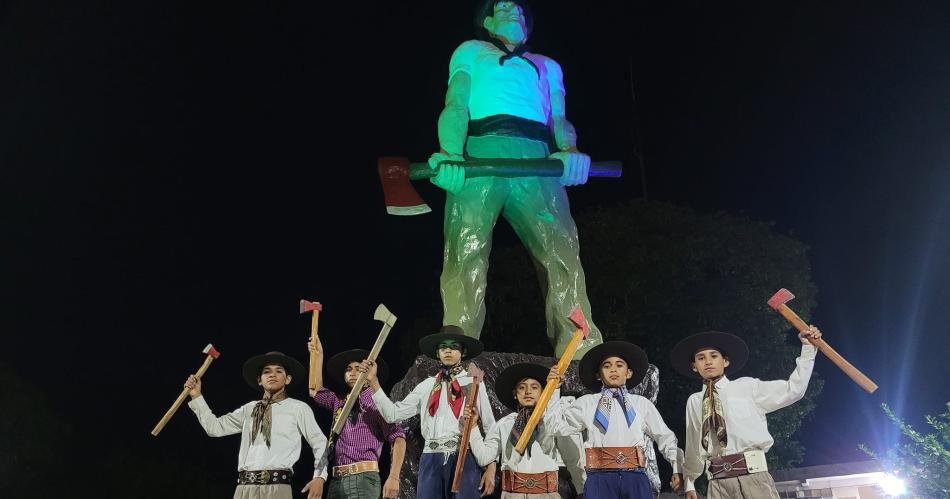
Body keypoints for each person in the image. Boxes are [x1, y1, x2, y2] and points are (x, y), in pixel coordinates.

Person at [428, 0, 603, 357]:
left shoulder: (548, 66)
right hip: (481, 153)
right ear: (487, 21)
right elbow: (456, 103)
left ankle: (579, 346)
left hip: (537, 157)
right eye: (504, 11)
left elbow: (559, 118)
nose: (514, 15)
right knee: (466, 249)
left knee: (562, 251)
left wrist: (569, 150)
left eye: (519, 13)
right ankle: (457, 345)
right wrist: (450, 153)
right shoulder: (471, 51)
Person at [671, 327, 821, 499]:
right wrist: (689, 482)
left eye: (714, 356)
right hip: (718, 485)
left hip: (753, 478)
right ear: (694, 366)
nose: (708, 362)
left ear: (725, 361)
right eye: (701, 358)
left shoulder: (747, 387)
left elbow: (793, 390)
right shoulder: (695, 401)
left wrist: (808, 349)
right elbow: (693, 445)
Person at [360, 325, 497, 499]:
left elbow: (490, 425)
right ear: (437, 353)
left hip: (465, 458)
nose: (448, 350)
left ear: (463, 352)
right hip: (431, 460)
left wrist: (491, 466)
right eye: (443, 347)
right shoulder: (427, 385)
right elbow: (392, 414)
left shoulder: (474, 382)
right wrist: (374, 382)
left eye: (454, 346)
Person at [184, 351, 329, 499]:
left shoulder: (298, 408)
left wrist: (319, 477)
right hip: (244, 489)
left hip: (276, 488)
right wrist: (196, 396)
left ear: (288, 379)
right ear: (259, 380)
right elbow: (215, 428)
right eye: (267, 372)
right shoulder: (249, 409)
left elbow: (320, 442)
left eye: (279, 371)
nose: (272, 375)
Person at [547, 341, 683, 498]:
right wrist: (553, 389)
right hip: (599, 479)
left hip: (635, 478)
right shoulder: (588, 403)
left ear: (629, 372)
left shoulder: (641, 404)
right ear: (598, 375)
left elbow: (665, 437)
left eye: (619, 365)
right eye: (606, 366)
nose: (613, 369)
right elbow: (554, 426)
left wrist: (676, 466)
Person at [307, 338, 406, 499]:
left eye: (358, 368)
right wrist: (318, 356)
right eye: (348, 369)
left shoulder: (377, 400)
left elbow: (398, 437)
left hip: (363, 478)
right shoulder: (339, 402)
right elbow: (315, 391)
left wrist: (394, 477)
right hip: (337, 479)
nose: (352, 372)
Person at [466, 363, 562, 498]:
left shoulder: (551, 420)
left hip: (546, 494)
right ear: (515, 394)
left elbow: (552, 426)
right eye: (522, 388)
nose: (528, 391)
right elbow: (484, 457)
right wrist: (473, 426)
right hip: (513, 494)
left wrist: (554, 389)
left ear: (543, 393)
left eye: (534, 387)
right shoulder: (505, 424)